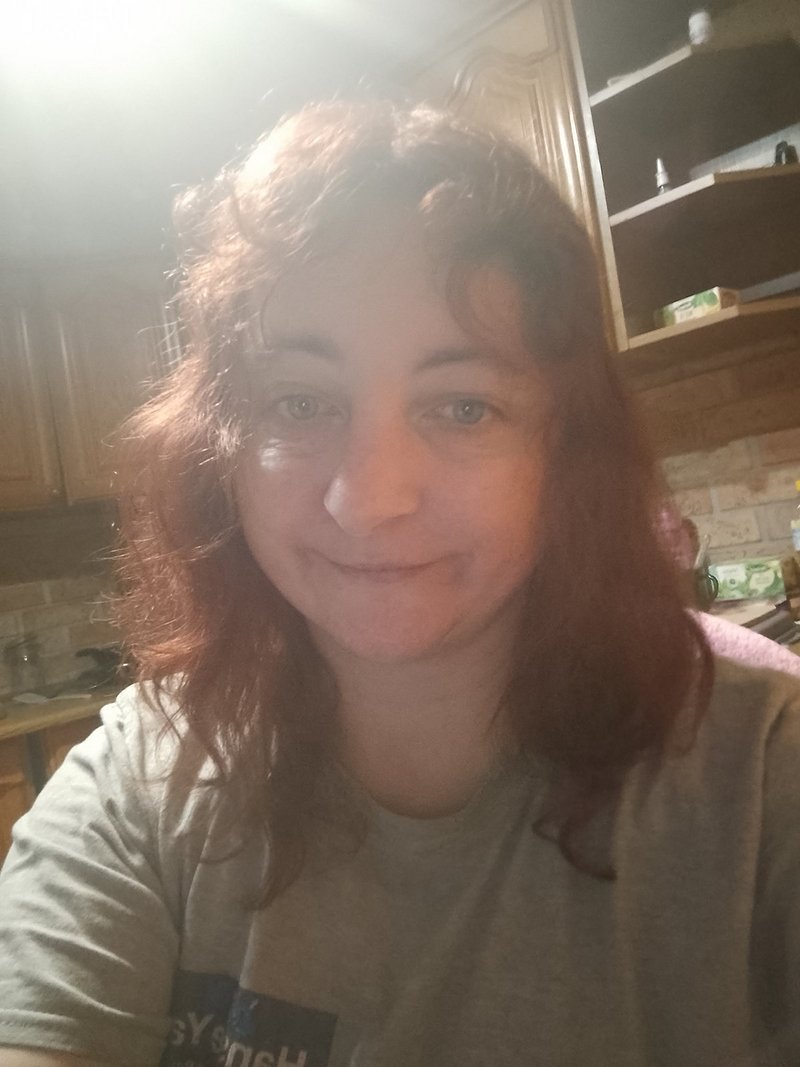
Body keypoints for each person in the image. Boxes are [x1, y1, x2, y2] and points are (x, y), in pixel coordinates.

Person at [1, 100, 799, 1067]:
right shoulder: (139, 782)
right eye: (300, 401)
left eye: (463, 407)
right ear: (222, 451)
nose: (367, 499)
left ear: (564, 451)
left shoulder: (764, 781)